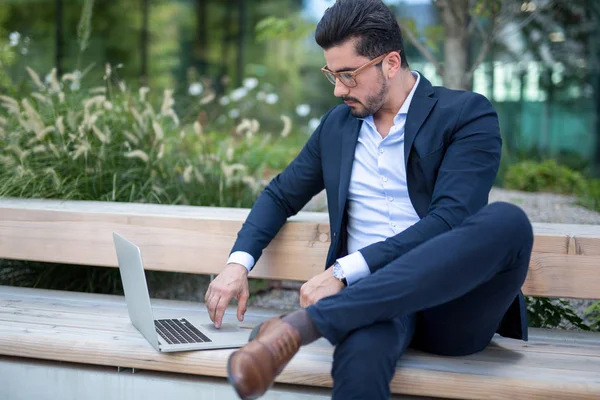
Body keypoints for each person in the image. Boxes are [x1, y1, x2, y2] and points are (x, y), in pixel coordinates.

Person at [204, 0, 534, 398]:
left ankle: (302, 326)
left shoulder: (466, 115)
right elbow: (280, 194)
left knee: (509, 222)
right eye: (332, 74)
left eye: (348, 75)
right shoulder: (337, 126)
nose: (339, 89)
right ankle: (306, 326)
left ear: (391, 63)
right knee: (359, 362)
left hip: (451, 307)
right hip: (368, 306)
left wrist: (344, 271)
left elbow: (450, 219)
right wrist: (236, 265)